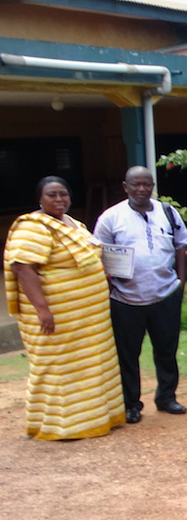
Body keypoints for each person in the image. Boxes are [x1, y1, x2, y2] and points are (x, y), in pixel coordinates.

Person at [4, 176, 126, 440]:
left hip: (89, 320)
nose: (59, 199)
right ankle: (63, 426)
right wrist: (42, 309)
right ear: (40, 198)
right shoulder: (32, 227)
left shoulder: (73, 223)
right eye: (52, 195)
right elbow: (23, 268)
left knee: (92, 366)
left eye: (64, 194)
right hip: (58, 318)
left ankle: (97, 418)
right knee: (60, 368)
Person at [93, 166, 187, 424]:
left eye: (146, 184)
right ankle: (131, 404)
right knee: (128, 354)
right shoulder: (111, 218)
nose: (141, 189)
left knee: (166, 350)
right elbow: (98, 255)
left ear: (152, 186)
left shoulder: (168, 212)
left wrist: (180, 283)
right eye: (135, 185)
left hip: (165, 295)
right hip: (125, 299)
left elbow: (181, 246)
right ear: (125, 187)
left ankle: (166, 397)